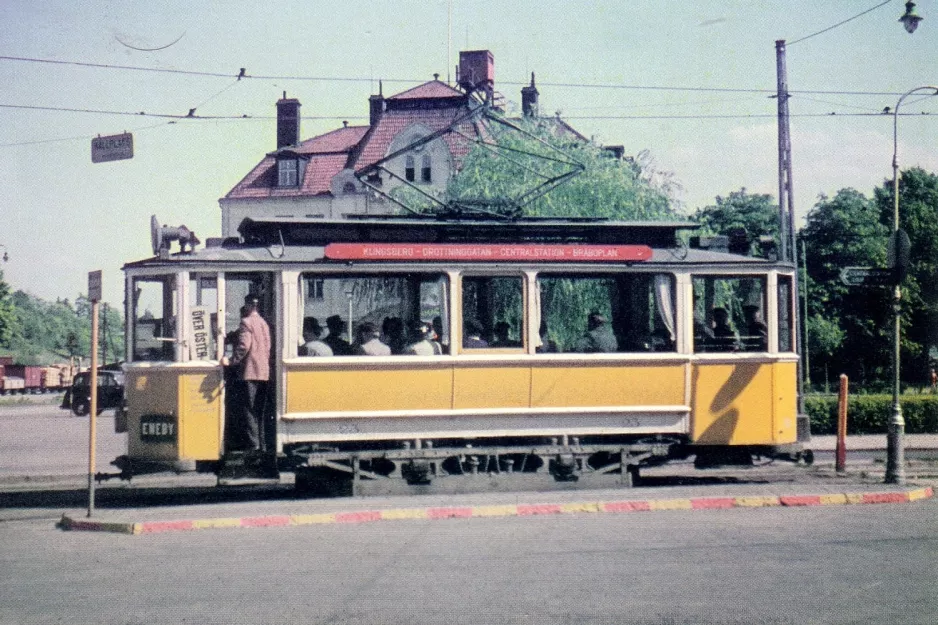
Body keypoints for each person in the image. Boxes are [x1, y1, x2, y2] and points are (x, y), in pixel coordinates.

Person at [224, 297, 272, 453]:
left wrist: (232, 361)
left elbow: (244, 345)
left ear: (249, 305)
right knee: (259, 410)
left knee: (249, 409)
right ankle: (262, 444)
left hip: (250, 372)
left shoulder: (246, 322)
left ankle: (253, 444)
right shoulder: (264, 323)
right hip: (264, 372)